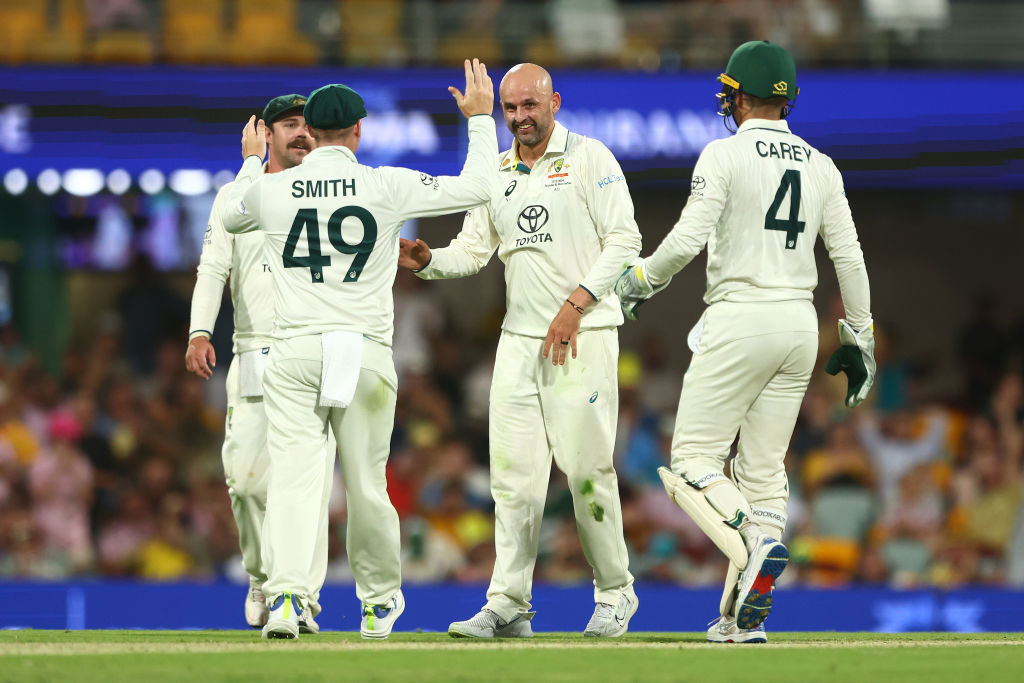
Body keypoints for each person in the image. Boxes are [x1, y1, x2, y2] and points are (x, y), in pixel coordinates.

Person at [219, 59, 499, 640]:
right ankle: (377, 602)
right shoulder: (385, 183)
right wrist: (478, 120)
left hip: (292, 350)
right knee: (369, 483)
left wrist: (251, 161)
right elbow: (478, 187)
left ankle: (289, 599)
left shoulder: (273, 190)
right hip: (364, 350)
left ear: (308, 133)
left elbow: (229, 215)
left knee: (295, 479)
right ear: (359, 131)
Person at [614, 40, 874, 643]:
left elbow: (685, 240)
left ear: (739, 95)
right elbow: (850, 259)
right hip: (799, 325)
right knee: (760, 475)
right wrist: (859, 335)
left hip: (740, 316)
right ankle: (738, 620)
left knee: (691, 465)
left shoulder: (723, 153)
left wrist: (640, 280)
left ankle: (756, 543)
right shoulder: (822, 164)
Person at [399, 63, 641, 639]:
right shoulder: (498, 170)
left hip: (582, 337)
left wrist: (575, 306)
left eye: (530, 105)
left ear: (555, 101)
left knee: (586, 473)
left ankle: (615, 592)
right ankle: (509, 603)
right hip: (519, 344)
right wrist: (431, 262)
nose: (520, 118)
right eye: (510, 109)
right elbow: (473, 250)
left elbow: (626, 240)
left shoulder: (591, 158)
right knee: (513, 480)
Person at [186, 94, 334, 634]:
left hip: (314, 350)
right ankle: (261, 574)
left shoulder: (329, 192)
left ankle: (299, 597)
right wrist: (201, 330)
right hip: (253, 350)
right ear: (265, 133)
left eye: (308, 126)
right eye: (289, 125)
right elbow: (211, 269)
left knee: (307, 485)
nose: (301, 134)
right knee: (247, 483)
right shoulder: (236, 195)